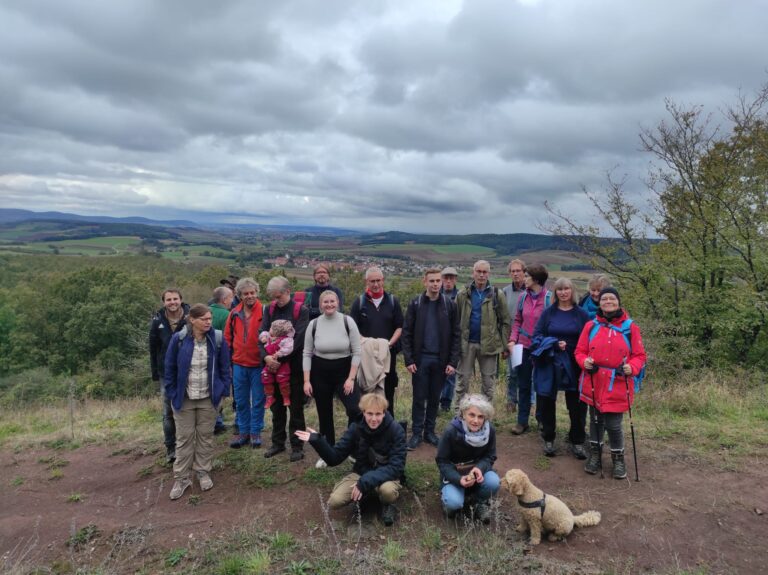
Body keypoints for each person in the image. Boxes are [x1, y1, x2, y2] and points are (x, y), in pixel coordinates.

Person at [295, 393, 406, 526]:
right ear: (363, 412)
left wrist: (364, 482)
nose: (374, 418)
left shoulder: (396, 430)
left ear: (384, 413)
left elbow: (396, 467)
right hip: (361, 473)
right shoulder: (356, 428)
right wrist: (318, 441)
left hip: (387, 476)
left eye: (378, 414)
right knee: (335, 501)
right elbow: (334, 457)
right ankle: (364, 496)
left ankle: (387, 505)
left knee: (387, 492)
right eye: (370, 414)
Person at [575, 287, 647, 479]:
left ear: (618, 302)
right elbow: (580, 351)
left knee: (614, 424)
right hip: (594, 380)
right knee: (595, 421)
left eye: (612, 298)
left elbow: (639, 355)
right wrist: (585, 362)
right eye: (604, 298)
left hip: (618, 382)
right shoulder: (591, 326)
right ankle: (595, 456)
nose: (608, 301)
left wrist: (632, 367)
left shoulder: (630, 327)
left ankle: (618, 459)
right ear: (599, 302)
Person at [163, 304, 230, 500]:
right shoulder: (179, 340)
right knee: (184, 439)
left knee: (205, 437)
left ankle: (202, 472)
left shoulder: (217, 339)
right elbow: (169, 368)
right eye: (204, 319)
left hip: (209, 398)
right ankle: (182, 478)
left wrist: (223, 391)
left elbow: (225, 367)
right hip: (184, 399)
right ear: (192, 320)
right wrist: (173, 392)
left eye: (210, 319)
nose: (209, 322)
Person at [530, 278, 590, 458]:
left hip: (575, 363)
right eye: (560, 289)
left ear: (572, 291)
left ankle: (577, 440)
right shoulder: (548, 313)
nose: (563, 292)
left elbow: (589, 338)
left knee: (577, 404)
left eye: (567, 289)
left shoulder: (581, 314)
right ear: (555, 292)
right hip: (551, 362)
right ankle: (548, 438)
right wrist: (554, 344)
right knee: (547, 401)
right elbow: (536, 337)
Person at [401, 268, 460, 450]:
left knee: (435, 397)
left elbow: (456, 335)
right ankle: (417, 433)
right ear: (424, 282)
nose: (435, 284)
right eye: (432, 281)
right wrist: (409, 360)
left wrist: (452, 362)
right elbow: (407, 333)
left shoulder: (449, 305)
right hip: (420, 360)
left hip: (441, 361)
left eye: (438, 281)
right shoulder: (416, 303)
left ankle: (430, 432)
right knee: (419, 398)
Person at [303, 290, 362, 468]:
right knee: (324, 413)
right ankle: (327, 451)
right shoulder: (313, 324)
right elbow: (306, 353)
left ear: (338, 302)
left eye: (332, 301)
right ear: (320, 305)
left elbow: (357, 351)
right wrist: (307, 380)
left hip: (344, 371)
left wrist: (351, 378)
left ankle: (353, 448)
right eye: (325, 302)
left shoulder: (347, 321)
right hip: (320, 372)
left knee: (355, 409)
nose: (329, 305)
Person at [259, 276, 309, 462]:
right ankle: (277, 443)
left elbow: (299, 340)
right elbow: (262, 335)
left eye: (278, 296)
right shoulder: (269, 309)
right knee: (276, 407)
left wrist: (279, 358)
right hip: (272, 368)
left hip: (293, 368)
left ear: (288, 291)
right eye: (273, 297)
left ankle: (297, 446)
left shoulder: (300, 310)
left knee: (296, 409)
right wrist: (266, 357)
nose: (276, 300)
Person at [436, 394, 500, 523]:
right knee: (454, 504)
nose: (476, 421)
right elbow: (442, 461)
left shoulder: (490, 431)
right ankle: (450, 501)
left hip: (477, 474)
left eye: (481, 416)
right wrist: (459, 479)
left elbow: (490, 456)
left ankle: (479, 502)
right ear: (463, 414)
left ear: (485, 417)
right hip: (454, 475)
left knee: (494, 481)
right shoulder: (451, 431)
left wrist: (479, 468)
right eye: (472, 415)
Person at [455, 260, 511, 407]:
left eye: (484, 272)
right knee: (463, 382)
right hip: (466, 344)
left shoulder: (497, 294)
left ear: (489, 274)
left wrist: (505, 347)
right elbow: (455, 321)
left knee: (488, 384)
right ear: (473, 273)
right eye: (478, 271)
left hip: (490, 345)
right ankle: (459, 416)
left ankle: (485, 417)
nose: (481, 275)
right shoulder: (463, 294)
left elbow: (505, 321)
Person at [349, 267, 403, 416]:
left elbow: (399, 326)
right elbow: (352, 328)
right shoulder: (359, 303)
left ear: (383, 280)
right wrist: (365, 343)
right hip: (366, 357)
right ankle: (365, 425)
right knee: (366, 392)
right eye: (372, 281)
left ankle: (388, 424)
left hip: (387, 356)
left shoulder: (392, 302)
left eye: (378, 280)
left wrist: (389, 344)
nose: (376, 284)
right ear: (367, 282)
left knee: (388, 391)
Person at [508, 264, 551, 435]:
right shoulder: (523, 298)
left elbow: (551, 324)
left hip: (541, 349)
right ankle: (522, 421)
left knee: (541, 385)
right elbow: (517, 321)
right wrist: (512, 340)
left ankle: (541, 419)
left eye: (527, 276)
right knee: (523, 384)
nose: (523, 278)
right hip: (523, 347)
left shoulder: (549, 299)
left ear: (536, 279)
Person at [149, 288, 190, 464]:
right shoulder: (157, 321)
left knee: (189, 408)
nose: (172, 302)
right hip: (166, 372)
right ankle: (171, 448)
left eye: (175, 299)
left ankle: (188, 445)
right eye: (168, 299)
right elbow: (153, 348)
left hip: (189, 369)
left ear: (181, 299)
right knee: (168, 412)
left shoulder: (190, 318)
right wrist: (155, 373)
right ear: (163, 302)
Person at [224, 278, 265, 449]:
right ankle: (243, 432)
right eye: (246, 293)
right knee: (240, 401)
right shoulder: (234, 313)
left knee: (257, 401)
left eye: (252, 292)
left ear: (257, 292)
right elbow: (227, 338)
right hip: (238, 364)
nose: (250, 296)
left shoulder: (265, 311)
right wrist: (227, 362)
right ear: (239, 295)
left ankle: (255, 433)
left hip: (258, 364)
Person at [502, 259, 526, 413]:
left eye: (518, 271)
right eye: (513, 271)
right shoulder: (505, 292)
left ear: (524, 272)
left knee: (528, 374)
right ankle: (511, 402)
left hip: (528, 339)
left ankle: (529, 403)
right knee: (512, 374)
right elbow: (503, 319)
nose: (516, 273)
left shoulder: (531, 290)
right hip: (512, 340)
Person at [210, 285, 234, 434]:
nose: (232, 300)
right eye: (231, 297)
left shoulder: (206, 311)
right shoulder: (227, 315)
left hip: (207, 358)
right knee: (221, 390)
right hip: (222, 359)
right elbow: (228, 339)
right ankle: (217, 422)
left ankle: (213, 420)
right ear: (224, 299)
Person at [259, 319, 295, 409]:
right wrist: (262, 338)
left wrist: (279, 353)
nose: (269, 329)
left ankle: (286, 396)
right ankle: (270, 397)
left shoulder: (286, 340)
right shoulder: (269, 336)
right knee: (265, 376)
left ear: (277, 331)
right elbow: (263, 333)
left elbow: (288, 349)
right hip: (269, 363)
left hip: (282, 364)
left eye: (271, 328)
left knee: (283, 379)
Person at [439, 266, 460, 412]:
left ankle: (446, 404)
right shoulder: (433, 295)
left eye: (451, 278)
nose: (448, 281)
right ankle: (434, 402)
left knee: (450, 374)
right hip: (435, 340)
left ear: (455, 280)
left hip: (452, 340)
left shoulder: (460, 297)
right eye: (445, 278)